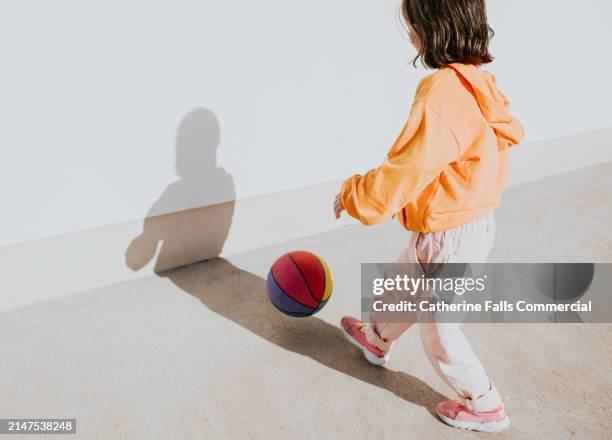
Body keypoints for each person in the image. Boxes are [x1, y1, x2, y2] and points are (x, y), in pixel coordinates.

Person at [333, 0, 524, 432]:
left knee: (440, 331)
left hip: (455, 235)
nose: (410, 35)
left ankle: (485, 402)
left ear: (433, 28)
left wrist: (354, 194)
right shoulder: (478, 82)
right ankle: (377, 338)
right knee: (402, 287)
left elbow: (408, 167)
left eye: (413, 25)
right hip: (455, 226)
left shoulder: (441, 91)